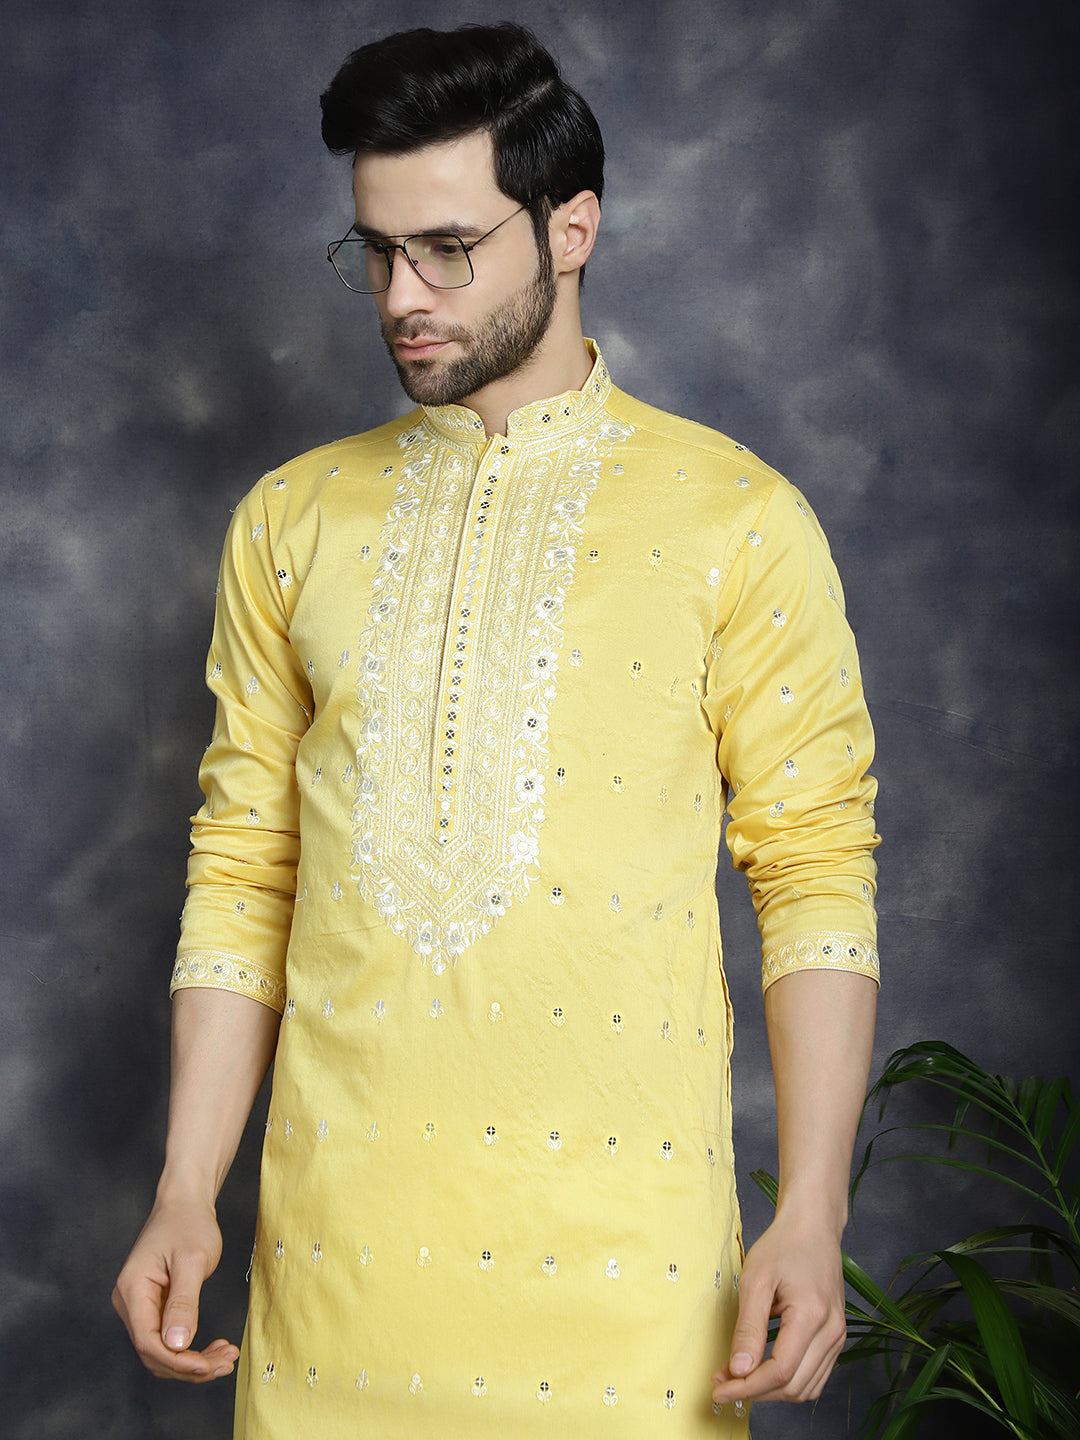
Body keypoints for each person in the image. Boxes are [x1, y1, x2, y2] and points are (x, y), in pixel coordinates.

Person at [113, 22, 880, 1438]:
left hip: (629, 1289)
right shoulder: (289, 521)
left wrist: (814, 1212)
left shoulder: (739, 520)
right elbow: (244, 873)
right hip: (334, 1281)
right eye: (377, 252)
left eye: (449, 250)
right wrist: (183, 1189)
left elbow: (816, 875)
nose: (403, 296)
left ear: (570, 228)